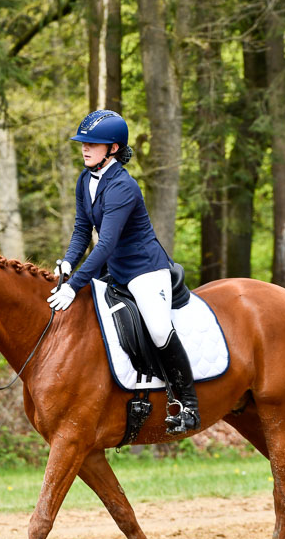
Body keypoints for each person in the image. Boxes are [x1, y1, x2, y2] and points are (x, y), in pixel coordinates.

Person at [47, 109, 201, 435]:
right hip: (114, 270)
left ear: (113, 148)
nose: (85, 149)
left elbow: (104, 244)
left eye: (93, 144)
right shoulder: (85, 179)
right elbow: (81, 230)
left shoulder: (123, 187)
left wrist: (74, 285)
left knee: (159, 330)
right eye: (83, 143)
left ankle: (189, 405)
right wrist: (66, 262)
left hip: (145, 269)